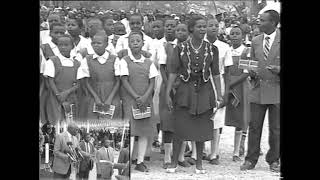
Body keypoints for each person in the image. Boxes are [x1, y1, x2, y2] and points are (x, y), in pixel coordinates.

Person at [165, 15, 222, 174]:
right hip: (185, 90)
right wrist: (167, 92)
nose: (203, 29)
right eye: (199, 27)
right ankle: (174, 162)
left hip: (205, 90)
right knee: (180, 127)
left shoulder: (212, 49)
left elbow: (216, 73)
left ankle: (199, 164)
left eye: (205, 26)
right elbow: (173, 72)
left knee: (201, 127)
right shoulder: (181, 48)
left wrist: (219, 94)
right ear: (191, 29)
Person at [240, 10, 280, 173]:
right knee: (254, 126)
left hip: (276, 89)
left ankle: (274, 160)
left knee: (276, 128)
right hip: (257, 89)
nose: (259, 23)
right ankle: (251, 159)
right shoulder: (256, 41)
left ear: (273, 23)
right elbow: (251, 62)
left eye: (262, 20)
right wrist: (250, 71)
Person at [120, 31, 158, 172]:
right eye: (132, 41)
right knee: (130, 131)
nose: (135, 43)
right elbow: (124, 80)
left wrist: (144, 97)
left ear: (143, 43)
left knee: (143, 131)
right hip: (131, 100)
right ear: (128, 44)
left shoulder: (149, 62)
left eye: (138, 40)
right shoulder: (124, 61)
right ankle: (127, 161)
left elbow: (152, 82)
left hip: (145, 101)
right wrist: (136, 97)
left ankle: (140, 161)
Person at [204, 18, 233, 165]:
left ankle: (214, 153)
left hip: (218, 84)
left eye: (216, 26)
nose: (213, 28)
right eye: (210, 25)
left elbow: (227, 72)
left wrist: (226, 92)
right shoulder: (198, 44)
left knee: (217, 119)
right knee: (200, 117)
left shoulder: (224, 47)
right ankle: (199, 150)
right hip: (202, 83)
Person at [77, 32, 122, 121]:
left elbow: (118, 81)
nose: (96, 45)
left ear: (106, 44)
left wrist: (110, 99)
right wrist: (96, 98)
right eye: (94, 43)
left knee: (111, 122)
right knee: (93, 123)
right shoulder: (87, 60)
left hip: (111, 94)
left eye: (99, 43)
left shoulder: (114, 59)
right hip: (93, 95)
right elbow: (86, 81)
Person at [225, 26, 251, 162]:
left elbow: (246, 73)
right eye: (232, 34)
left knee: (241, 118)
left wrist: (230, 85)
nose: (234, 36)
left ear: (243, 36)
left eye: (237, 34)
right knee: (221, 117)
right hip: (226, 87)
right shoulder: (226, 50)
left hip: (241, 88)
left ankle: (237, 150)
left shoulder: (247, 51)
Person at [43, 34, 81, 126]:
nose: (63, 47)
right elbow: (50, 81)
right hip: (55, 97)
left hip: (71, 98)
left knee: (70, 124)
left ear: (72, 46)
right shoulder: (52, 61)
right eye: (60, 45)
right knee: (55, 123)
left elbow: (79, 83)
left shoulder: (77, 63)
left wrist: (67, 92)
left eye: (66, 45)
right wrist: (59, 95)